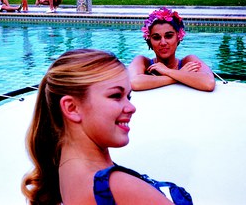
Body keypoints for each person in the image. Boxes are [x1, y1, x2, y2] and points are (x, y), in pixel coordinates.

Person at [21, 49, 192, 205]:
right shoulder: (118, 187)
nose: (131, 108)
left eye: (129, 97)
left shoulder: (65, 171)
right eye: (116, 95)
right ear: (71, 108)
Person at [128, 7, 215, 91]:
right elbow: (133, 82)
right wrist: (179, 74)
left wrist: (167, 71)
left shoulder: (188, 61)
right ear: (149, 40)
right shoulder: (143, 62)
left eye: (169, 36)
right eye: (156, 37)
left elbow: (208, 83)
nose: (163, 43)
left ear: (178, 37)